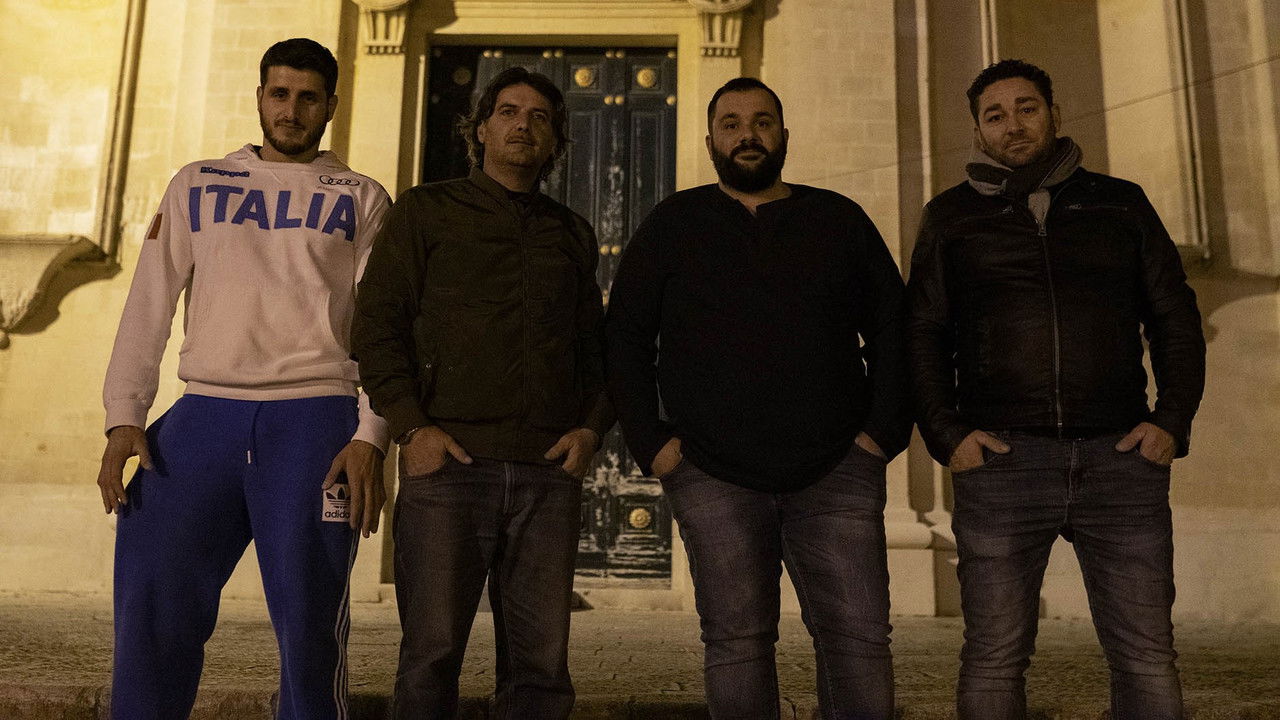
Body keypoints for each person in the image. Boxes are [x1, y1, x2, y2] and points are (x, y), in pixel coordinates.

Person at [97, 38, 390, 720]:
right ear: (259, 97)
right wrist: (124, 416)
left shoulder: (362, 197)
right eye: (279, 94)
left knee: (310, 625)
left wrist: (372, 433)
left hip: (315, 422)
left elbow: (384, 329)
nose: (291, 110)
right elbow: (149, 300)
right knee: (151, 604)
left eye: (308, 98)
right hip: (202, 416)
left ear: (331, 106)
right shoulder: (197, 182)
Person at [906, 59, 1206, 719]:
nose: (1013, 124)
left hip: (1120, 460)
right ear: (978, 131)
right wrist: (949, 435)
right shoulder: (951, 217)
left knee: (1147, 656)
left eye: (1027, 108)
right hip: (1002, 464)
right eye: (995, 115)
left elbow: (1174, 318)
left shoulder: (1121, 203)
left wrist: (1171, 422)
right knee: (994, 657)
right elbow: (922, 333)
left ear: (1054, 114)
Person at [606, 77, 911, 720]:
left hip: (838, 470)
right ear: (710, 141)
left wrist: (880, 435)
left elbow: (894, 328)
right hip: (711, 474)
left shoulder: (839, 220)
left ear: (784, 135)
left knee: (858, 640)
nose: (748, 135)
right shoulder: (673, 224)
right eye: (732, 124)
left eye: (762, 122)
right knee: (737, 644)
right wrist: (654, 445)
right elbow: (625, 338)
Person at [351, 66, 610, 720]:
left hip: (547, 475)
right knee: (431, 656)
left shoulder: (572, 233)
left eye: (540, 117)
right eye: (508, 112)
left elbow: (597, 350)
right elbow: (376, 325)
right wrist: (412, 428)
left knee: (540, 670)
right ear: (481, 129)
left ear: (555, 141)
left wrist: (591, 429)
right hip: (448, 470)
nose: (523, 125)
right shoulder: (425, 211)